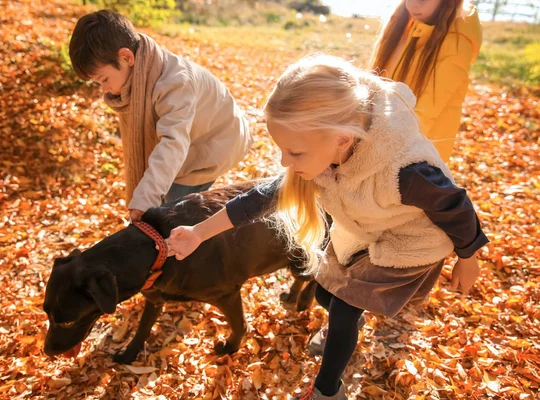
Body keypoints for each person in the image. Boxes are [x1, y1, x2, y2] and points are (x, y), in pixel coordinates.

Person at [164, 55, 488, 399]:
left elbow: (456, 206)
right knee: (323, 293)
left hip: (412, 239)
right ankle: (346, 326)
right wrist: (198, 233)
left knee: (345, 307)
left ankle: (327, 391)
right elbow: (257, 201)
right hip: (367, 226)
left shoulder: (406, 171)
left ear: (342, 140)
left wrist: (468, 258)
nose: (284, 162)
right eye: (282, 150)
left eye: (295, 153)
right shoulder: (326, 153)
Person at [69, 10, 252, 221]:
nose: (104, 90)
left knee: (170, 215)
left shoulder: (174, 83)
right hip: (193, 136)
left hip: (217, 140)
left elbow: (172, 144)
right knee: (158, 203)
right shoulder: (136, 80)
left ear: (126, 57)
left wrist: (144, 200)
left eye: (104, 79)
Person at [371, 0, 482, 162]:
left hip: (416, 155)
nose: (413, 5)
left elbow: (428, 111)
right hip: (384, 143)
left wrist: (386, 147)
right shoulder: (403, 24)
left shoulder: (456, 43)